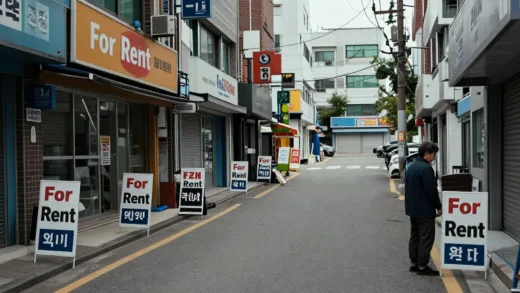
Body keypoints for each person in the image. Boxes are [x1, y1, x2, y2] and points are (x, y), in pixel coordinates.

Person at [404, 141, 442, 276]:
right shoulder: (426, 169)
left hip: (413, 209)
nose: (434, 157)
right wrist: (438, 206)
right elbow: (431, 191)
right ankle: (422, 266)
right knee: (426, 238)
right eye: (433, 154)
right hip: (425, 210)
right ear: (426, 154)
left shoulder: (412, 167)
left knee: (415, 236)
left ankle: (414, 263)